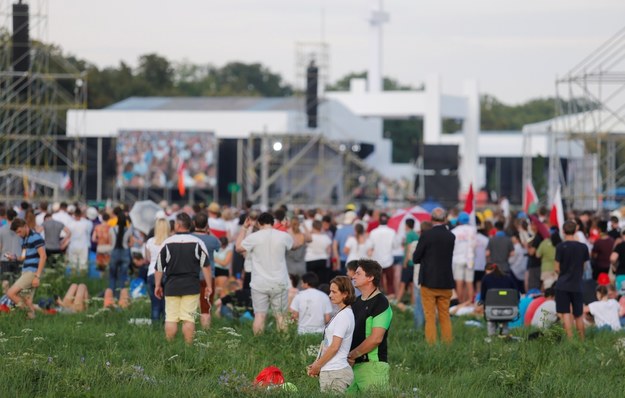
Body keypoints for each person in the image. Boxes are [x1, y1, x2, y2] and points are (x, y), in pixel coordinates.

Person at [154, 212, 212, 344]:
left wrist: (158, 285)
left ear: (178, 225)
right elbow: (206, 266)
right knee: (189, 318)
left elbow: (158, 267)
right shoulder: (198, 242)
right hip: (191, 285)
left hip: (171, 285)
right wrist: (208, 285)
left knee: (171, 318)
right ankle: (188, 347)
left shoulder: (167, 243)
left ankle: (169, 345)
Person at [236, 212, 293, 335]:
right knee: (280, 316)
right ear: (273, 223)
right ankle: (284, 344)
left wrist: (244, 228)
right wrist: (288, 227)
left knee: (260, 315)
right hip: (280, 282)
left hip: (259, 282)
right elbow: (294, 244)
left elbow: (238, 248)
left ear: (258, 223)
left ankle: (257, 342)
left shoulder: (254, 237)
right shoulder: (283, 236)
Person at [346, 259, 392, 393]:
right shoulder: (356, 302)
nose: (353, 276)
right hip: (352, 365)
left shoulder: (381, 302)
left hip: (372, 366)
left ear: (370, 277)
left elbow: (376, 339)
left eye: (358, 274)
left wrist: (352, 355)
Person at [413, 208, 455, 345]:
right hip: (446, 281)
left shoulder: (426, 235)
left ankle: (431, 345)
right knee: (445, 315)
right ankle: (447, 345)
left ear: (431, 219)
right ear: (445, 219)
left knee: (430, 316)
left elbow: (416, 258)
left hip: (428, 281)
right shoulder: (451, 236)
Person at [307, 275, 356, 394]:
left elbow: (335, 346)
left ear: (345, 294)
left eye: (334, 292)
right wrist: (316, 364)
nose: (330, 295)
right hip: (331, 370)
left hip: (336, 372)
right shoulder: (342, 313)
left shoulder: (344, 316)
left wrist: (318, 365)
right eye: (330, 291)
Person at [554, 220, 590, 340]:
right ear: (576, 231)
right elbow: (584, 266)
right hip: (577, 284)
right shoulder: (583, 247)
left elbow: (556, 268)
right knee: (578, 314)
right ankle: (582, 339)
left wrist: (563, 273)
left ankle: (570, 340)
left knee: (565, 313)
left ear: (563, 231)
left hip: (563, 284)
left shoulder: (560, 247)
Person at [6, 218, 47, 319]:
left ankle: (28, 313)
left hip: (31, 272)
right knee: (27, 300)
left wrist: (37, 276)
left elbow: (43, 256)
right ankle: (31, 319)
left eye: (19, 231)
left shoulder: (35, 237)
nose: (19, 234)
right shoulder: (24, 239)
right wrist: (14, 257)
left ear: (25, 226)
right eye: (17, 233)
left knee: (10, 293)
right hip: (25, 271)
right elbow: (23, 257)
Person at [192, 212, 221, 330]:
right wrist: (209, 231)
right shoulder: (212, 240)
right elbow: (219, 245)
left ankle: (188, 331)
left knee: (189, 307)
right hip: (208, 276)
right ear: (207, 225)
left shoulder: (189, 237)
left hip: (191, 275)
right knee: (205, 307)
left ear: (194, 223)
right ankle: (205, 333)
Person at [479, 263, 518, 337]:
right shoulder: (508, 278)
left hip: (492, 311)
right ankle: (505, 334)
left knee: (491, 321)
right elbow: (516, 293)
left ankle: (491, 336)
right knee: (505, 321)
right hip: (509, 311)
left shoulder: (486, 278)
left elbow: (482, 297)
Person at [144, 217, 170, 323]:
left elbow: (148, 259)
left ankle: (154, 328)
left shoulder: (150, 241)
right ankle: (166, 329)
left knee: (155, 304)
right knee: (166, 305)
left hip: (152, 273)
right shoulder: (170, 241)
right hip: (167, 274)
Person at [367, 213, 396, 298]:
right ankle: (391, 299)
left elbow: (370, 247)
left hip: (376, 260)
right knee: (390, 282)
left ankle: (378, 299)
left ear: (379, 221)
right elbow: (395, 245)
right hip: (388, 260)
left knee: (378, 282)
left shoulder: (373, 232)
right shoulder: (392, 232)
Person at [451, 211, 476, 303]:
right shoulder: (473, 230)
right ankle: (470, 302)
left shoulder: (454, 231)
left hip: (458, 259)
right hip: (470, 259)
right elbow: (474, 244)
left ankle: (460, 302)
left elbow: (452, 246)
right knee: (469, 282)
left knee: (459, 282)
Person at [305, 220, 333, 285]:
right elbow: (329, 251)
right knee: (321, 279)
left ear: (313, 227)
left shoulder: (310, 237)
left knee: (310, 279)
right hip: (322, 259)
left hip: (310, 259)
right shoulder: (326, 237)